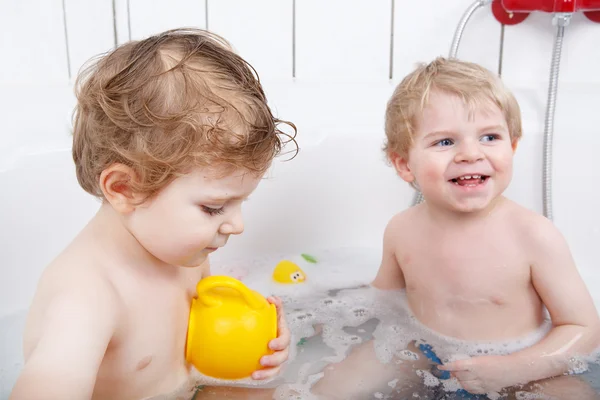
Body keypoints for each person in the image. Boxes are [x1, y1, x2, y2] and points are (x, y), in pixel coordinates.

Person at [10, 28, 296, 400]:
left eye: (241, 203)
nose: (237, 225)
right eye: (214, 207)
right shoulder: (87, 298)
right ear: (124, 189)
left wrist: (258, 350)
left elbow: (193, 354)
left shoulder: (183, 252)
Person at [311, 57, 600, 399]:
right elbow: (383, 298)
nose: (470, 153)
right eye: (445, 142)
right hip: (423, 348)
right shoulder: (402, 229)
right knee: (329, 384)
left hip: (522, 364)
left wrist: (516, 368)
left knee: (573, 395)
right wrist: (327, 316)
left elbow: (584, 328)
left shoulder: (533, 236)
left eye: (490, 137)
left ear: (513, 146)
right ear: (404, 165)